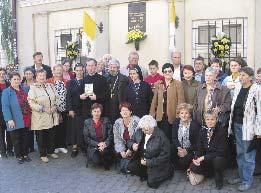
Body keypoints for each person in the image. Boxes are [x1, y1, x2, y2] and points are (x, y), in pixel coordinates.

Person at [227, 67, 261, 191]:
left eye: (243, 75)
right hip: (237, 125)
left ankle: (247, 180)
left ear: (250, 77)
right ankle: (241, 177)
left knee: (249, 156)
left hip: (249, 128)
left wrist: (258, 132)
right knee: (240, 154)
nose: (240, 77)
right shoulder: (238, 88)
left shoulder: (257, 90)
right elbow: (234, 108)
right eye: (240, 75)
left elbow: (260, 112)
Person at [127, 115, 173, 189]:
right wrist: (132, 145)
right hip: (144, 161)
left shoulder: (161, 137)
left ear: (153, 127)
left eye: (147, 130)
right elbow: (130, 141)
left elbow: (165, 157)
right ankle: (146, 175)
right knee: (131, 166)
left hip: (156, 164)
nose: (144, 132)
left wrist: (148, 162)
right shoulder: (140, 131)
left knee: (152, 184)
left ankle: (168, 173)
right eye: (143, 129)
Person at [28, 69, 59, 163]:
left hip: (51, 115)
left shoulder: (50, 86)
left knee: (51, 135)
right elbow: (31, 103)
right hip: (40, 117)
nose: (42, 77)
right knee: (41, 137)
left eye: (43, 76)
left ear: (46, 77)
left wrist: (54, 106)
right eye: (40, 76)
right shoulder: (33, 88)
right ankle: (43, 154)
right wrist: (43, 108)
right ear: (36, 77)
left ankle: (50, 151)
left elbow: (57, 97)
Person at [190, 110, 228, 190]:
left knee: (218, 161)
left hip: (219, 156)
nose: (210, 122)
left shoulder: (222, 131)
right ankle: (210, 173)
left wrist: (203, 158)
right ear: (205, 120)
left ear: (216, 120)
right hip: (207, 157)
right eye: (208, 119)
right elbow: (199, 147)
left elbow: (221, 151)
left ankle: (219, 178)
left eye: (212, 119)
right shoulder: (202, 130)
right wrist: (197, 158)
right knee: (194, 167)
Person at [1, 72, 32, 164]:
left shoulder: (25, 89)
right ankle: (19, 156)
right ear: (10, 80)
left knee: (25, 138)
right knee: (16, 139)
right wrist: (9, 119)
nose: (16, 81)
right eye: (14, 79)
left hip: (26, 118)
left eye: (18, 79)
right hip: (14, 119)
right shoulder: (6, 92)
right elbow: (5, 106)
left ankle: (25, 154)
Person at [150, 63, 185, 141]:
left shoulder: (178, 84)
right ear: (163, 73)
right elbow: (154, 101)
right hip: (160, 116)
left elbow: (181, 102)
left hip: (173, 116)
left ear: (173, 72)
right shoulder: (158, 84)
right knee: (161, 139)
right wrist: (152, 114)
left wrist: (179, 116)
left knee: (171, 139)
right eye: (165, 71)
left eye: (169, 71)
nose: (167, 73)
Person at [83, 103, 113, 170]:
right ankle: (102, 157)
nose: (96, 113)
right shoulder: (87, 122)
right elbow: (86, 138)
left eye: (98, 111)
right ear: (91, 112)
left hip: (105, 145)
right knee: (96, 161)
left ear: (101, 112)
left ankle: (105, 158)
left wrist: (105, 143)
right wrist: (98, 144)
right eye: (94, 111)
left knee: (105, 153)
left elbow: (110, 135)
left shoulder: (106, 120)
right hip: (94, 147)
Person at [113, 102, 140, 173]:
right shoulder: (117, 123)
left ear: (131, 112)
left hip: (135, 146)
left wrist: (130, 149)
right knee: (118, 152)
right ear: (120, 113)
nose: (125, 112)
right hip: (124, 146)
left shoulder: (137, 121)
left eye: (127, 110)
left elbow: (139, 139)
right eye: (123, 110)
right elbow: (117, 139)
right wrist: (121, 151)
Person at [47, 64, 68, 154]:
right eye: (57, 70)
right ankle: (54, 146)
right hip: (52, 109)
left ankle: (62, 145)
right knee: (53, 128)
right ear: (53, 71)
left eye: (60, 70)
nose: (59, 71)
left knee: (62, 128)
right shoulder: (49, 81)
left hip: (63, 109)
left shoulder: (66, 82)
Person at [172, 103, 200, 170]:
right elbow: (174, 138)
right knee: (169, 149)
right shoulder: (176, 122)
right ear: (179, 114)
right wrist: (179, 148)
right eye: (182, 113)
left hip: (191, 150)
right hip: (180, 148)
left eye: (186, 113)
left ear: (190, 115)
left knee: (183, 162)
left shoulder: (195, 125)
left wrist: (186, 150)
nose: (184, 115)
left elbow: (198, 144)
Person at [66, 64, 84, 158]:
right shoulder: (71, 82)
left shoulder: (86, 81)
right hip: (74, 109)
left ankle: (84, 147)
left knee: (83, 128)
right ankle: (74, 148)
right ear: (74, 71)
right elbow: (68, 97)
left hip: (84, 109)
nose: (79, 72)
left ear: (83, 70)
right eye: (77, 70)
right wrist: (70, 109)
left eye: (81, 70)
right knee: (74, 129)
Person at [106, 59, 129, 123]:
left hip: (119, 105)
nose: (112, 69)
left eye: (114, 67)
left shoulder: (124, 79)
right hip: (108, 105)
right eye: (110, 67)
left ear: (118, 68)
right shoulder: (105, 78)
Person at [22, 67, 35, 153]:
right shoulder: (22, 85)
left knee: (36, 128)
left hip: (36, 108)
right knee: (28, 128)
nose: (28, 75)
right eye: (26, 74)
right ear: (24, 75)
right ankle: (30, 146)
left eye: (30, 73)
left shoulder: (36, 83)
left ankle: (36, 145)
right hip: (26, 109)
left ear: (33, 74)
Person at [0, 68, 13, 157]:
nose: (1, 75)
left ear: (6, 75)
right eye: (0, 74)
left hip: (8, 112)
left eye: (3, 73)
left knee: (9, 132)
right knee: (0, 133)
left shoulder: (9, 85)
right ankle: (2, 151)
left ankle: (9, 149)